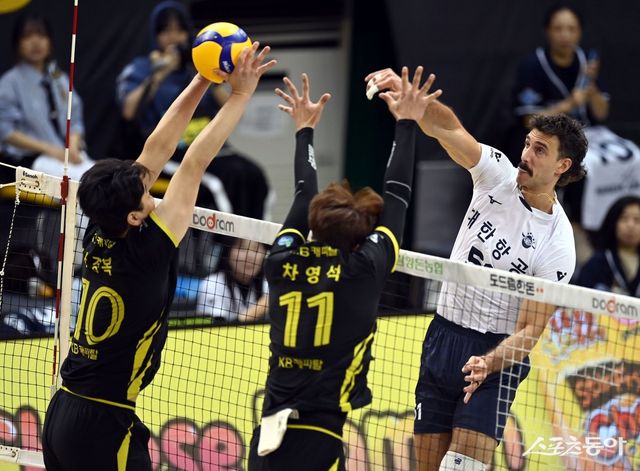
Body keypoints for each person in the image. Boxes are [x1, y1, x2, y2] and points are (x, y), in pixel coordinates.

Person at [41, 42, 276, 471]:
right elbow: (194, 162)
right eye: (146, 193)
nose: (151, 191)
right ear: (134, 216)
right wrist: (241, 94)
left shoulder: (100, 225)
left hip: (64, 411)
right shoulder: (147, 251)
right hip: (101, 424)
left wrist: (202, 77)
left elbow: (156, 148)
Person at [366, 68, 588, 470]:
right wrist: (417, 104)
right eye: (528, 143)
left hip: (497, 355)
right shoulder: (497, 175)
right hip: (443, 337)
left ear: (562, 165)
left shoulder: (557, 244)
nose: (526, 155)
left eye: (540, 150)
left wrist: (490, 362)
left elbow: (530, 331)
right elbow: (449, 129)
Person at [247, 68, 441, 470]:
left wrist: (304, 129)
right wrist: (407, 122)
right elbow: (397, 196)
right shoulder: (363, 269)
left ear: (315, 226)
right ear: (358, 240)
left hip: (268, 433)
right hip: (320, 434)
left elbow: (304, 195)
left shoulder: (281, 262)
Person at [116, 1, 273, 220]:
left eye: (179, 30)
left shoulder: (199, 67)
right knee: (220, 183)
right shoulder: (141, 68)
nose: (173, 37)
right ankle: (228, 241)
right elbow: (128, 110)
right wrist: (159, 73)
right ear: (155, 34)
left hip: (208, 145)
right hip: (170, 151)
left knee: (253, 174)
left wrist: (219, 77)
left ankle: (256, 237)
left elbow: (232, 106)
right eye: (166, 31)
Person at [511, 3, 640, 253]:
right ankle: (578, 226)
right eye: (559, 29)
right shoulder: (533, 65)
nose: (565, 35)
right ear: (548, 31)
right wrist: (571, 103)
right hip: (552, 135)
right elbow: (528, 119)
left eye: (571, 29)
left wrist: (591, 89)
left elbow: (601, 112)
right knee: (582, 163)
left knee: (634, 156)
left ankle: (619, 224)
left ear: (579, 32)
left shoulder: (586, 62)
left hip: (589, 131)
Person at [0, 13, 93, 180]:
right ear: (17, 43)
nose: (35, 42)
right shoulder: (9, 83)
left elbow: (75, 118)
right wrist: (50, 149)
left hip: (66, 156)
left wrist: (72, 146)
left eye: (42, 36)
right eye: (27, 36)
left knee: (102, 176)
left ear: (50, 42)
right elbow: (6, 131)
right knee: (83, 182)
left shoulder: (59, 78)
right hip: (29, 160)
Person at [577, 195, 640, 296]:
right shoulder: (597, 263)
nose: (630, 225)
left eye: (637, 220)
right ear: (613, 222)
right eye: (624, 218)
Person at [196, 237, 269, 323]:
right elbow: (216, 327)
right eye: (242, 248)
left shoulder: (268, 285)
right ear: (228, 252)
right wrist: (260, 308)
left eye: (255, 250)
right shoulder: (212, 284)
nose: (250, 256)